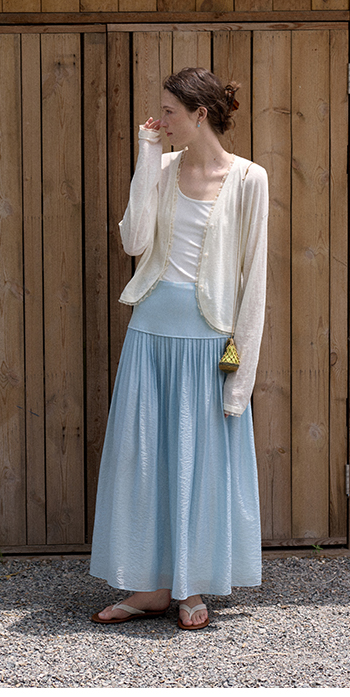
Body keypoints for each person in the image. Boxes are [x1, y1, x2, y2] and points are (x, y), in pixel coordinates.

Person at [89, 67, 269, 630]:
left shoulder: (250, 179)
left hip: (209, 343)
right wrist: (147, 155)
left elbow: (253, 282)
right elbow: (134, 240)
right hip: (150, 335)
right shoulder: (162, 167)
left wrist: (238, 375)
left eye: (169, 112)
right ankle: (150, 589)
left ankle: (191, 586)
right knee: (146, 462)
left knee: (199, 465)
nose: (160, 119)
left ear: (200, 114)